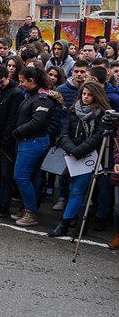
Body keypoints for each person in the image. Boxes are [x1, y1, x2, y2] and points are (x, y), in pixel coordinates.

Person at [49, 81, 110, 237]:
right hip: (71, 156)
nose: (86, 97)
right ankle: (75, 218)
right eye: (84, 94)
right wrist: (71, 149)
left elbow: (97, 137)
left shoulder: (103, 114)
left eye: (89, 95)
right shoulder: (73, 111)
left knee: (77, 191)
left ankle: (64, 223)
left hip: (90, 158)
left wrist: (79, 151)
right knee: (72, 189)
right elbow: (64, 132)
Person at [11, 67, 56, 227]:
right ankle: (29, 208)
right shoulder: (32, 95)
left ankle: (31, 211)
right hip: (29, 141)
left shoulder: (42, 98)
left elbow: (38, 121)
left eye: (23, 81)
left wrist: (17, 131)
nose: (20, 84)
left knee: (21, 176)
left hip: (33, 141)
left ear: (32, 81)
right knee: (31, 177)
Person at [0, 65, 23, 217]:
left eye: (1, 82)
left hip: (6, 141)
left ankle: (4, 204)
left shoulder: (16, 93)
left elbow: (13, 118)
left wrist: (7, 138)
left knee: (5, 175)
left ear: (8, 77)